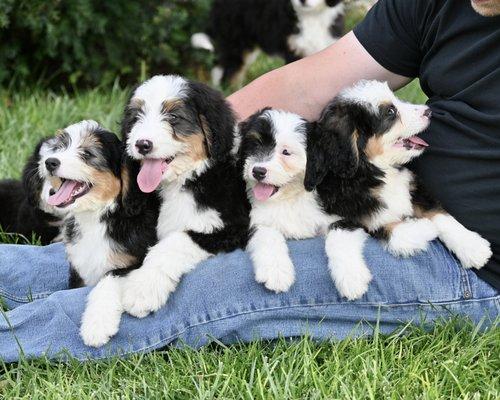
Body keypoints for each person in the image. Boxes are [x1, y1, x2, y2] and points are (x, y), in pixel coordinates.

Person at [1, 0, 498, 362]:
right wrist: (180, 151)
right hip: (368, 201)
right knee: (97, 255)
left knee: (200, 286)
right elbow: (306, 84)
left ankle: (13, 338)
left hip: (466, 263)